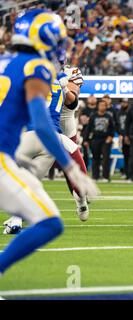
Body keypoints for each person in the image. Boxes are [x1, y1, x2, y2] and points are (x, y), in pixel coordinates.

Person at [0, 9, 98, 274]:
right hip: (14, 149)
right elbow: (42, 124)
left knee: (32, 181)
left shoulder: (9, 63)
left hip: (23, 144)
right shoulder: (38, 67)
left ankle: (16, 216)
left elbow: (72, 100)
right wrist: (71, 167)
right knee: (50, 222)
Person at [83, 99, 115, 181]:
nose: (102, 107)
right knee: (95, 158)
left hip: (105, 139)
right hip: (95, 139)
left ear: (106, 106)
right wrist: (85, 140)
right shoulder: (93, 116)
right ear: (98, 106)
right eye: (101, 105)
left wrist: (110, 137)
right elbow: (88, 128)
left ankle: (105, 176)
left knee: (105, 158)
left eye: (104, 105)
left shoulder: (109, 116)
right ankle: (95, 176)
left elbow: (112, 128)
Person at [117, 98, 130, 179]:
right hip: (122, 136)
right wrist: (120, 134)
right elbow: (117, 125)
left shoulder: (130, 112)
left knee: (131, 155)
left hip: (129, 136)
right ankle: (126, 172)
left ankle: (130, 173)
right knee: (125, 155)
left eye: (125, 102)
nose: (124, 104)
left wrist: (127, 135)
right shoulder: (118, 113)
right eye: (122, 102)